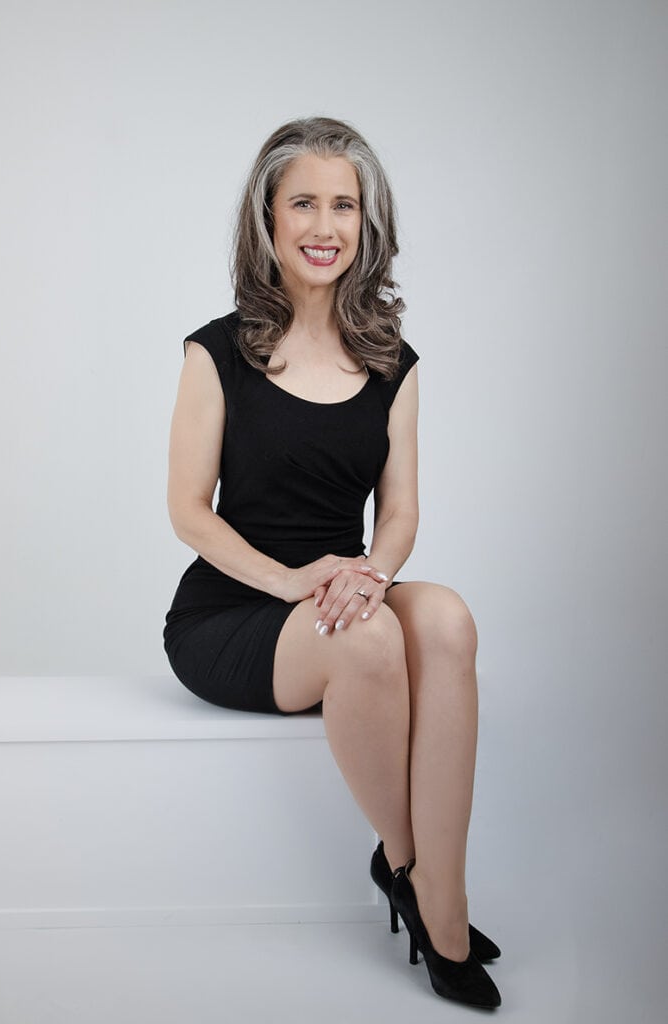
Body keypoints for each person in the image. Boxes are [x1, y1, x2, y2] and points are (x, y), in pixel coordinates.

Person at [163, 116, 502, 1010]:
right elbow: (187, 511)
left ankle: (431, 882)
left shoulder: (392, 361)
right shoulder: (216, 352)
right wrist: (292, 581)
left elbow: (400, 511)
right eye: (303, 203)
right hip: (234, 613)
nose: (324, 225)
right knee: (368, 640)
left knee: (445, 618)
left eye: (343, 205)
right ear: (268, 219)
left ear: (365, 222)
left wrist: (370, 573)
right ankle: (423, 883)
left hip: (341, 595)